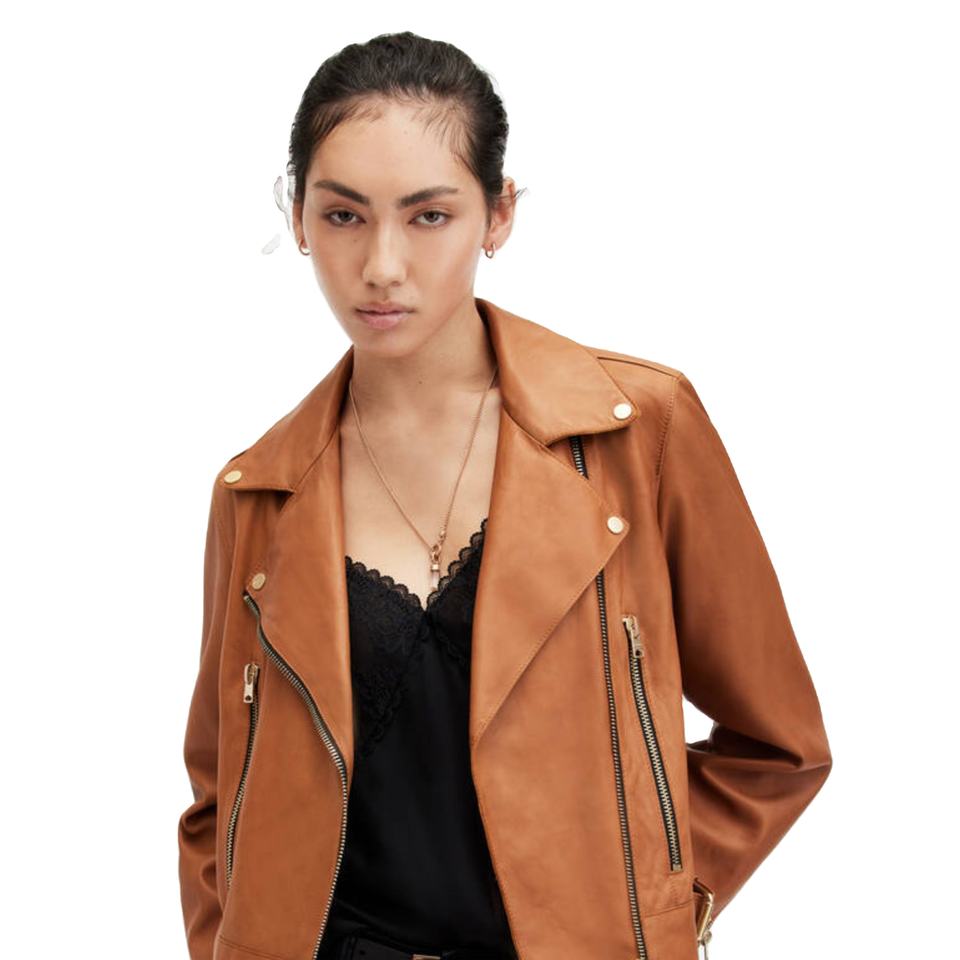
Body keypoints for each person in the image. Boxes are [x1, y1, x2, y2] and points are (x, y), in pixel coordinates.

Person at [177, 31, 833, 960]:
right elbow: (221, 798)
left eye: (429, 215)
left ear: (498, 214)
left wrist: (649, 908)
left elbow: (778, 747)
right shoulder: (260, 494)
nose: (383, 265)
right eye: (345, 215)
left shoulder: (635, 432)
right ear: (299, 221)